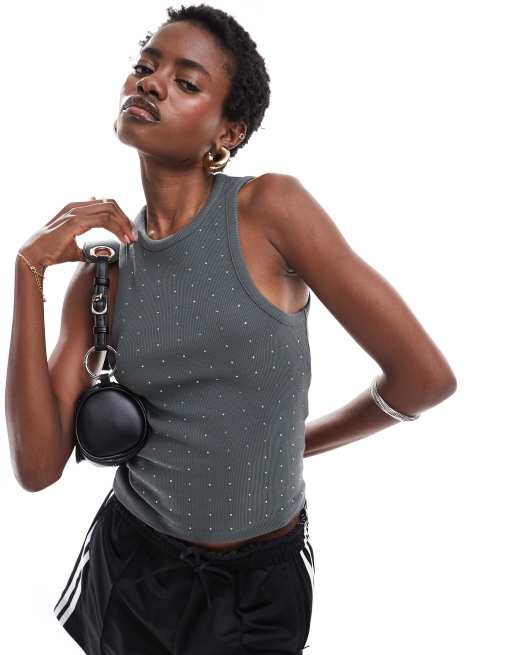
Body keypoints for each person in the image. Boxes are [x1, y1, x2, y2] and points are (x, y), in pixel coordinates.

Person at [6, 4, 457, 655]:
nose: (151, 82)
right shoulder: (103, 277)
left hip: (262, 585)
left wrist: (295, 445)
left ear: (228, 131)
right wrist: (27, 272)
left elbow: (424, 379)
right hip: (133, 568)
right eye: (145, 66)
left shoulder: (272, 210)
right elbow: (38, 467)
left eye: (186, 81)